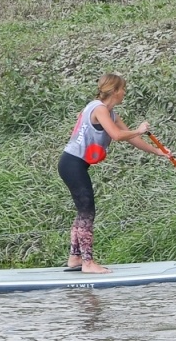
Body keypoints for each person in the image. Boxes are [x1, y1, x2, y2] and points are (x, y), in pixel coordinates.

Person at [59, 73, 168, 273]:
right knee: (87, 211)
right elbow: (117, 136)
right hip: (71, 163)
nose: (124, 92)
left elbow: (129, 138)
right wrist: (139, 129)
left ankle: (75, 258)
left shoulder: (110, 114)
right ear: (115, 91)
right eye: (123, 89)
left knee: (83, 210)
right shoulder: (99, 109)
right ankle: (88, 263)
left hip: (76, 164)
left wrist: (157, 151)